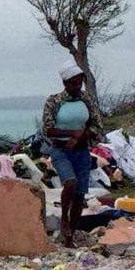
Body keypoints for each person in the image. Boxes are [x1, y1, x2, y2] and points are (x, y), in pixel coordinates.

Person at [42, 59, 104, 247]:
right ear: (65, 83)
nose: (77, 87)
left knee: (79, 195)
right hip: (61, 150)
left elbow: (96, 125)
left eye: (79, 83)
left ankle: (71, 234)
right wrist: (70, 133)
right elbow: (48, 129)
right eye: (73, 83)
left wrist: (79, 137)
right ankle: (64, 220)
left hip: (81, 150)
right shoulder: (54, 102)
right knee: (70, 182)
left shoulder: (86, 100)